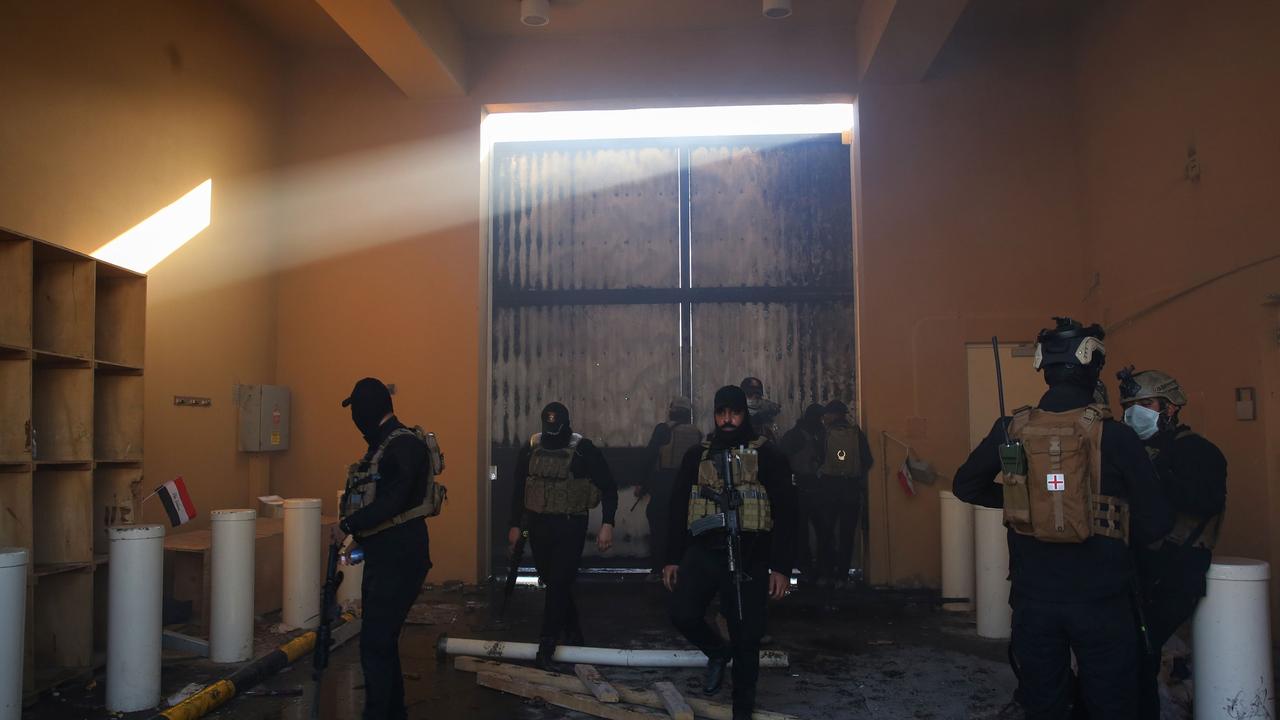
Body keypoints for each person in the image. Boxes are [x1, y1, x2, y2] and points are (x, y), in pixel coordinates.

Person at [953, 318, 1172, 719]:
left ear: (1045, 368)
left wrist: (1025, 501)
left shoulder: (1011, 427)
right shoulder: (1116, 437)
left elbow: (966, 485)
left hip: (1033, 599)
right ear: (1092, 366)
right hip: (1102, 601)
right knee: (1112, 703)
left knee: (1044, 703)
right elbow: (1156, 524)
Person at [664, 385, 796, 720]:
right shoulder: (698, 455)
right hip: (704, 551)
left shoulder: (768, 455)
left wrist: (781, 566)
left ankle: (742, 710)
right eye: (721, 413)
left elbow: (788, 511)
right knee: (682, 612)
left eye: (733, 413)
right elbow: (678, 505)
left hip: (750, 555)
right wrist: (670, 557)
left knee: (747, 638)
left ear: (743, 414)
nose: (727, 419)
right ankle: (716, 651)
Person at [1117, 366, 1227, 720]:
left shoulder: (1198, 451)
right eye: (1130, 405)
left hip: (1178, 571)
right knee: (1131, 656)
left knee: (1144, 654)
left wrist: (1151, 472)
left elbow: (1203, 501)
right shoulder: (1135, 451)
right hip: (1141, 569)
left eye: (1146, 403)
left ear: (1170, 407)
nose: (1135, 412)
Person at [337, 377, 435, 720]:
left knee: (375, 644)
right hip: (385, 557)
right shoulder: (382, 444)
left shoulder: (403, 445)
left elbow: (395, 499)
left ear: (368, 408)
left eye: (357, 409)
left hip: (400, 558)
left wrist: (349, 526)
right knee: (381, 641)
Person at [507, 401, 618, 668]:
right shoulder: (533, 446)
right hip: (538, 524)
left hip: (571, 525)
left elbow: (608, 487)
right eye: (549, 428)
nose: (552, 434)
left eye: (556, 428)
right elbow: (519, 487)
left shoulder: (582, 449)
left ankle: (547, 643)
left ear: (566, 424)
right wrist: (514, 525)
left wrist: (608, 523)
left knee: (558, 581)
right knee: (551, 579)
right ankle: (573, 629)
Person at [639, 396, 704, 577]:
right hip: (688, 485)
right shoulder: (696, 432)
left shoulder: (663, 429)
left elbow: (650, 456)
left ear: (671, 411)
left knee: (659, 527)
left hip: (665, 483)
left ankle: (658, 568)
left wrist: (642, 483)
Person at [816, 400, 872, 589]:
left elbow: (817, 459)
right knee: (847, 535)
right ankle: (842, 577)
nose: (824, 418)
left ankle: (825, 574)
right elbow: (867, 460)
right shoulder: (857, 434)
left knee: (826, 533)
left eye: (827, 414)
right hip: (851, 490)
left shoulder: (824, 434)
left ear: (833, 415)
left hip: (829, 489)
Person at [780, 403, 826, 583]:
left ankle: (810, 568)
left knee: (807, 532)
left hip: (806, 489)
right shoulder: (800, 436)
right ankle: (810, 569)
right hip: (804, 488)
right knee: (808, 532)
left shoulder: (806, 435)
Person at [741, 377, 782, 444]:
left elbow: (776, 408)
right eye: (751, 392)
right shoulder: (738, 409)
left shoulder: (764, 405)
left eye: (757, 393)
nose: (754, 396)